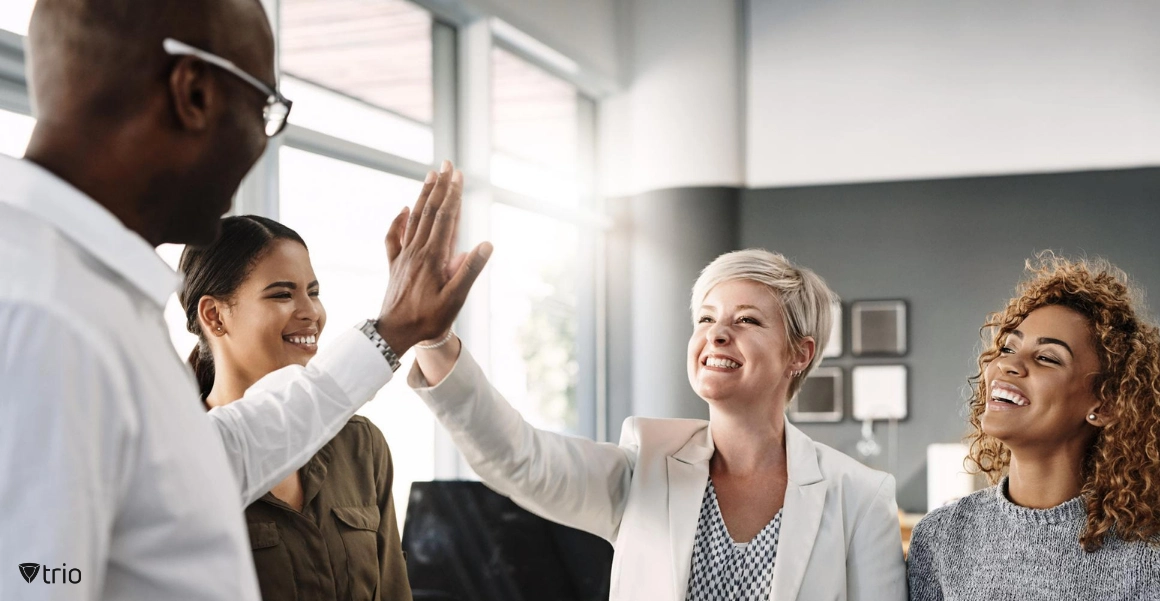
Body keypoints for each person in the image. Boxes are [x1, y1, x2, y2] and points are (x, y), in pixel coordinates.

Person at [0, 0, 490, 598]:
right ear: (195, 93)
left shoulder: (80, 289)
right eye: (263, 106)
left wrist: (393, 333)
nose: (262, 139)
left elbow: (214, 459)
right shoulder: (41, 313)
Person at [408, 249, 906, 600]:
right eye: (706, 319)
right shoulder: (645, 464)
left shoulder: (859, 497)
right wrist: (434, 341)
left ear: (800, 353)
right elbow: (522, 460)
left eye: (748, 321)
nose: (717, 335)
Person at [906, 252, 1160, 600]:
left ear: (1104, 405)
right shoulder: (939, 538)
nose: (1008, 365)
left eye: (1047, 357)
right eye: (1007, 347)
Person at [179, 215, 411, 601]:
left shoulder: (360, 444)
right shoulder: (177, 459)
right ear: (214, 316)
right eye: (282, 294)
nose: (312, 313)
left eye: (313, 292)